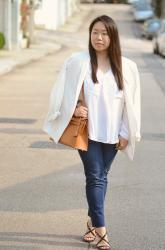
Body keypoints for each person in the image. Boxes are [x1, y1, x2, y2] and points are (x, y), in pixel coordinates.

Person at [43, 15, 141, 250]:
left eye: (105, 33)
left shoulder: (127, 67)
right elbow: (62, 93)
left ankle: (90, 222)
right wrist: (75, 108)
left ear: (113, 37)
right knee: (95, 177)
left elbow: (132, 103)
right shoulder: (78, 62)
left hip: (113, 134)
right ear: (89, 34)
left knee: (102, 177)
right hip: (88, 132)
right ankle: (102, 231)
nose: (99, 37)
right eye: (95, 32)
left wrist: (126, 132)